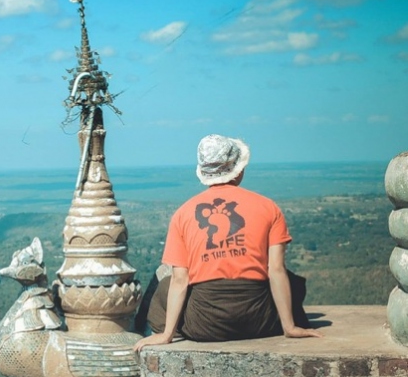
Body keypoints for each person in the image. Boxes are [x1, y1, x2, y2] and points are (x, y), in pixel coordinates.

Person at [133, 134, 322, 352]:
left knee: (166, 285)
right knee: (291, 281)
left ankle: (168, 329)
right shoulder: (268, 207)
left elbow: (180, 280)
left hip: (205, 326)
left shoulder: (182, 214)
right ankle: (287, 322)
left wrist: (167, 335)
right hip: (260, 321)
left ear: (204, 173)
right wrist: (289, 327)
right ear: (238, 170)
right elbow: (276, 270)